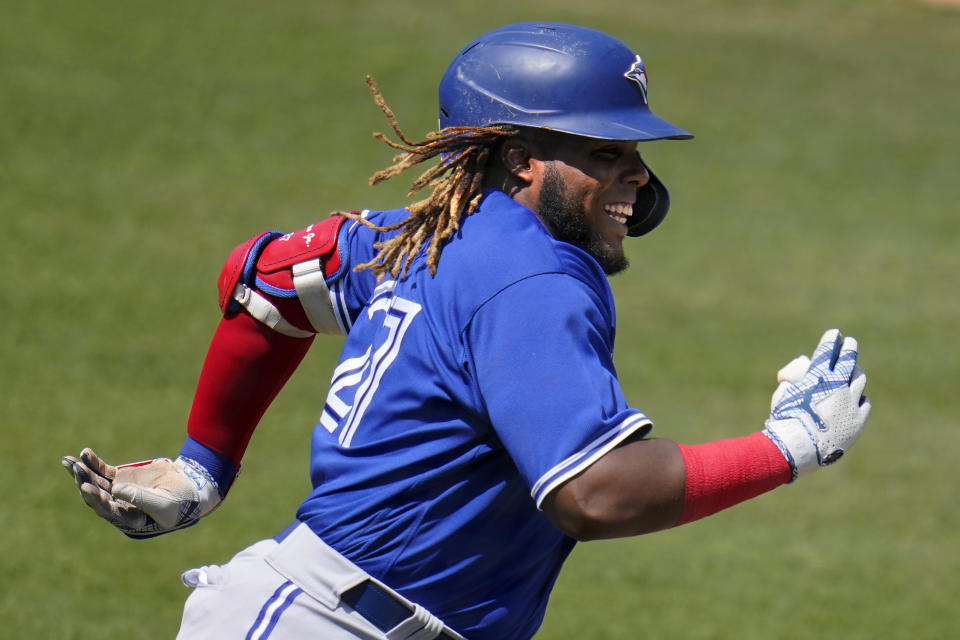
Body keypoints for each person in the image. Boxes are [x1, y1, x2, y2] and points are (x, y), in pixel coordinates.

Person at [62, 22, 872, 640]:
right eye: (606, 149)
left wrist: (206, 466)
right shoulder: (532, 281)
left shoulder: (420, 235)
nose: (638, 176)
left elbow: (263, 280)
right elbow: (594, 494)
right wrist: (789, 446)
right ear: (522, 159)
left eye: (635, 150)